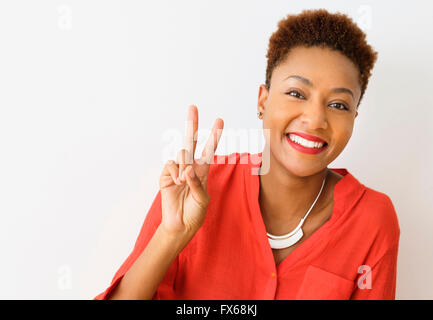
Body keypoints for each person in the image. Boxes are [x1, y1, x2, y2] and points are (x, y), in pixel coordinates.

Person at [95, 8, 400, 300]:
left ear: (353, 119)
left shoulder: (372, 220)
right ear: (263, 102)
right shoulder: (195, 186)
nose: (316, 119)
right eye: (296, 94)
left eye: (338, 105)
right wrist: (172, 234)